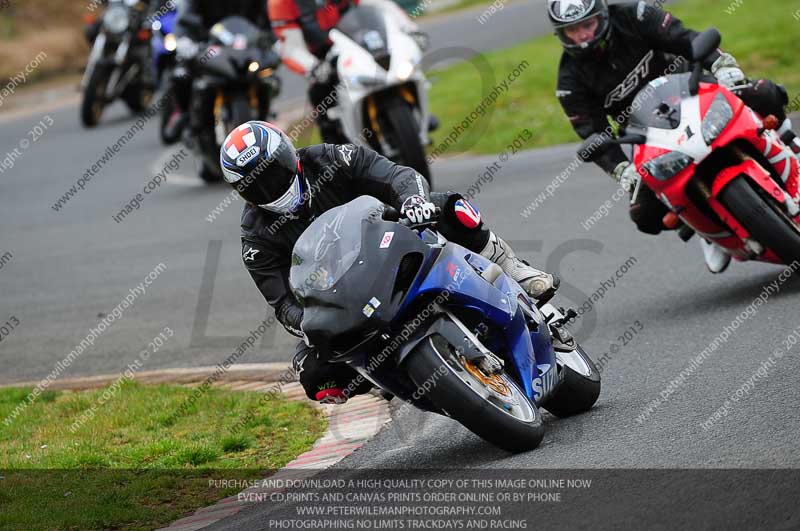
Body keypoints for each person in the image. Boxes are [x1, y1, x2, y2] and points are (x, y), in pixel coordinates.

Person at [220, 121, 559, 404]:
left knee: (450, 208)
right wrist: (308, 325)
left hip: (392, 243)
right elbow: (283, 304)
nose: (269, 186)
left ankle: (510, 267)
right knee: (312, 371)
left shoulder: (332, 158)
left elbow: (397, 175)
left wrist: (413, 201)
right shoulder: (256, 238)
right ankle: (384, 376)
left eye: (272, 173)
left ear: (289, 154)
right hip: (347, 300)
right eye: (255, 184)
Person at [548, 0, 800, 273]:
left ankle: (791, 144)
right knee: (644, 214)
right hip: (646, 136)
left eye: (587, 24)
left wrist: (723, 66)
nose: (583, 35)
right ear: (561, 34)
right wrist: (622, 170)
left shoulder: (636, 15)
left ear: (603, 16)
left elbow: (688, 39)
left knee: (763, 92)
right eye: (573, 30)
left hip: (695, 91)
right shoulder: (568, 83)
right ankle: (706, 228)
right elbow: (594, 134)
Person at [268, 0, 431, 143]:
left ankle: (417, 114)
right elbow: (291, 45)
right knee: (321, 97)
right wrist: (313, 66)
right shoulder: (281, 3)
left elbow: (379, 4)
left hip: (355, 40)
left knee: (395, 65)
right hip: (320, 57)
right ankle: (337, 149)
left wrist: (410, 29)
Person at [167, 0, 273, 140]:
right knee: (181, 75)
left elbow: (268, 18)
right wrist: (184, 40)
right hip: (207, 48)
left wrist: (272, 38)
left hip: (245, 50)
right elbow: (184, 21)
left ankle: (265, 119)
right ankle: (186, 117)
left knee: (266, 76)